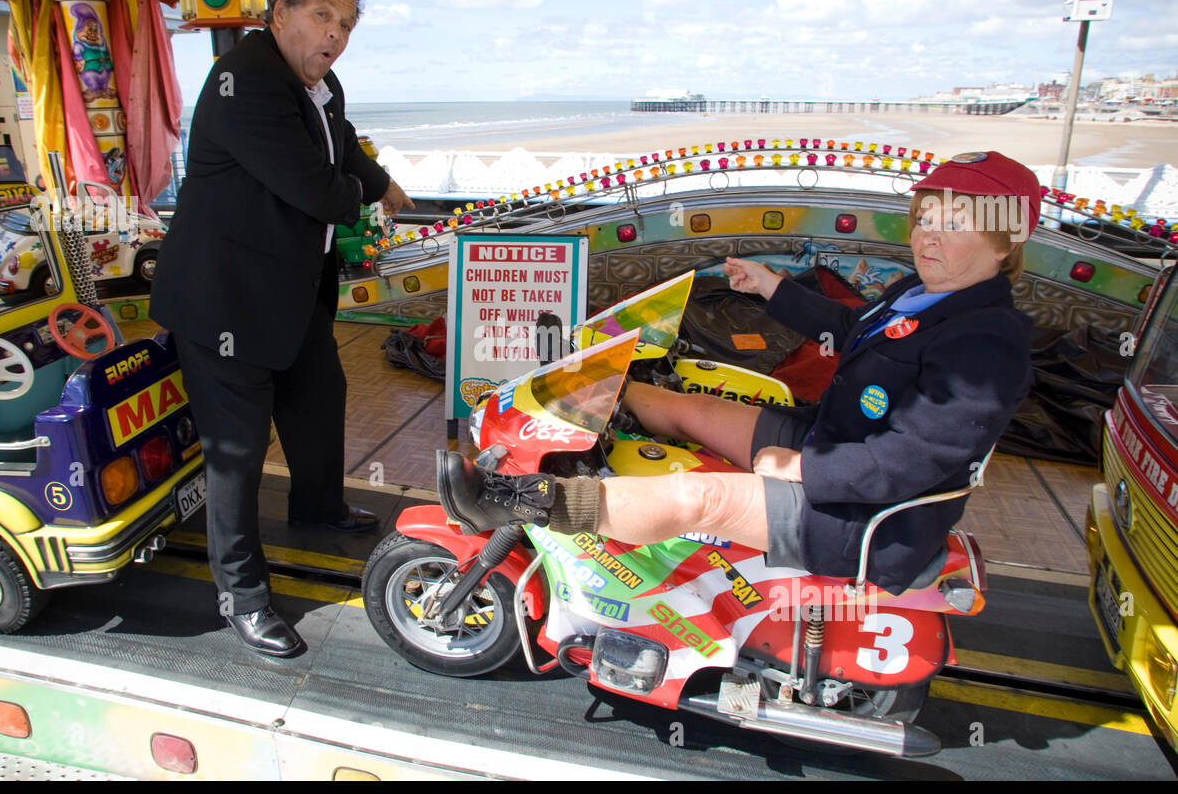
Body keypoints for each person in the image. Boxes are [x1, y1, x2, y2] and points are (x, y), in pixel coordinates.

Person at [438, 151, 1036, 594]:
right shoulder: (920, 293)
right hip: (833, 441)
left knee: (702, 496)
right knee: (682, 405)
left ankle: (520, 501)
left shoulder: (988, 342)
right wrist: (774, 288)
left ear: (1007, 242)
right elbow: (853, 327)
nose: (928, 234)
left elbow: (912, 461)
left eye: (954, 223)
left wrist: (803, 467)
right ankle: (547, 425)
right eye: (926, 216)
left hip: (869, 518)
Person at [151, 0, 413, 657]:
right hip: (225, 297)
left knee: (319, 399)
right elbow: (323, 192)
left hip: (291, 289)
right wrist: (359, 193)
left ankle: (320, 509)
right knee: (235, 451)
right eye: (322, 15)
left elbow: (345, 149)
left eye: (347, 24)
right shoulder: (246, 81)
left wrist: (384, 182)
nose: (335, 34)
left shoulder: (320, 86)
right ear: (281, 15)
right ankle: (241, 594)